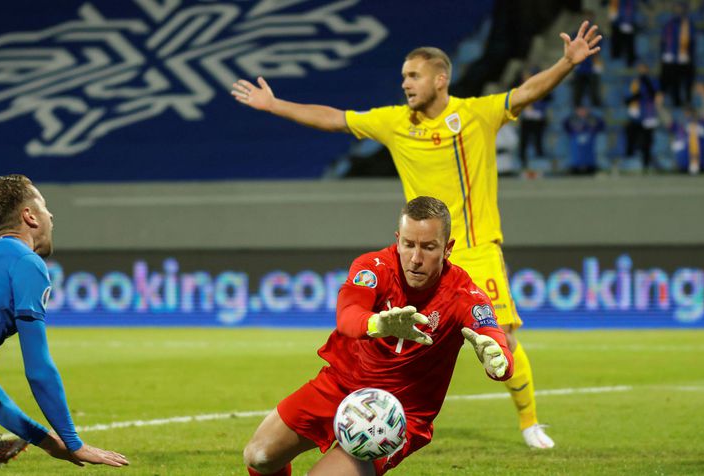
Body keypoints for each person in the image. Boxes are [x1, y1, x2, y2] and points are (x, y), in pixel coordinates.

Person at [233, 19, 602, 450]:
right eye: (403, 77)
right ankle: (382, 415)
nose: (405, 84)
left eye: (413, 75)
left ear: (440, 79)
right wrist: (276, 106)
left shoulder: (476, 114)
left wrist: (565, 63)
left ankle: (530, 423)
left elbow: (525, 93)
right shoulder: (394, 123)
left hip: (476, 248)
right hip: (420, 254)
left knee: (501, 337)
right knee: (397, 335)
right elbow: (335, 120)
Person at [243, 196, 514, 475]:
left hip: (398, 414)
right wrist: (377, 324)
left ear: (447, 249)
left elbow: (494, 340)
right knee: (259, 456)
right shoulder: (373, 268)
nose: (415, 258)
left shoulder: (463, 295)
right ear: (398, 239)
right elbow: (347, 316)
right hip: (342, 386)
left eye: (428, 247)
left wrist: (499, 360)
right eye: (408, 244)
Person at [0, 174, 129, 468]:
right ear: (29, 216)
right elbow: (39, 369)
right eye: (43, 205)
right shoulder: (25, 262)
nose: (51, 214)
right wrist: (73, 442)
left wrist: (45, 440)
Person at [624, 63, 660, 171]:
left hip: (648, 115)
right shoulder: (634, 82)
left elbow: (653, 94)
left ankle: (646, 162)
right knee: (631, 133)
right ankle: (630, 156)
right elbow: (627, 98)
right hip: (636, 115)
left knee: (647, 140)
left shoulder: (650, 81)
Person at [659, 2, 696, 107]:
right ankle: (677, 102)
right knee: (675, 82)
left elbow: (692, 42)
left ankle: (688, 100)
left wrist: (689, 56)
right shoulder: (669, 25)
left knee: (688, 80)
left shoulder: (689, 25)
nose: (678, 12)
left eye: (680, 9)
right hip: (674, 60)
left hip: (685, 59)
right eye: (677, 9)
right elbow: (664, 41)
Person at [563, 106, 605, 175]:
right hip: (576, 141)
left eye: (584, 110)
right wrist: (570, 132)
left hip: (589, 141)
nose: (582, 112)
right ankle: (575, 169)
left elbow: (601, 125)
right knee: (576, 154)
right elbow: (565, 125)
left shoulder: (593, 118)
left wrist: (595, 131)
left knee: (589, 154)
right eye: (580, 110)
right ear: (577, 111)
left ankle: (591, 168)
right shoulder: (572, 119)